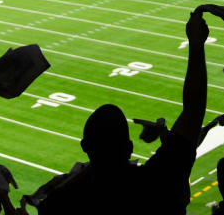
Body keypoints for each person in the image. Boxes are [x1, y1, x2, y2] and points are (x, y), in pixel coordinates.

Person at [38, 11, 208, 215]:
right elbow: (194, 111)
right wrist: (196, 43)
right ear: (129, 148)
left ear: (85, 147)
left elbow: (51, 204)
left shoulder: (62, 202)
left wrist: (79, 175)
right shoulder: (153, 183)